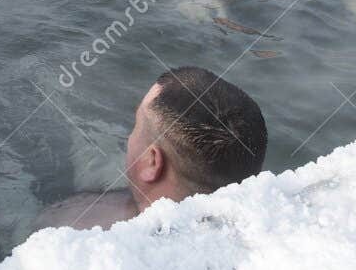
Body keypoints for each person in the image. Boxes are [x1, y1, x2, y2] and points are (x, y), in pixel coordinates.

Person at [37, 66, 268, 230]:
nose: (129, 137)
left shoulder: (72, 234)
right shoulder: (272, 233)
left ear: (152, 162)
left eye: (136, 127)